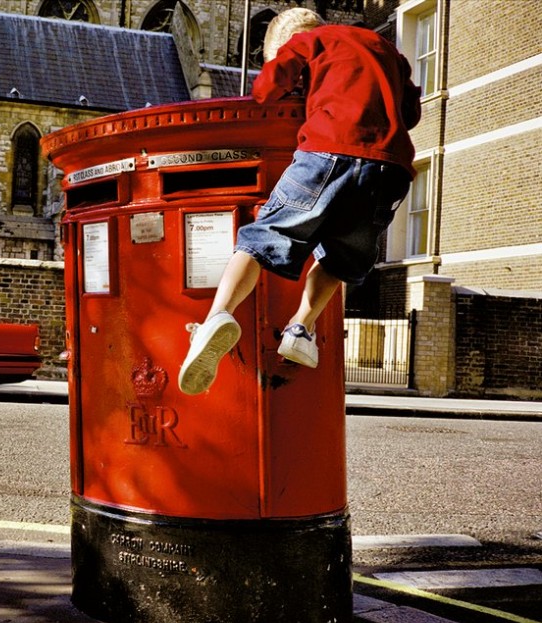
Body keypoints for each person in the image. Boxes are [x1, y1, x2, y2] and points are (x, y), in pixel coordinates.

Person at [178, 8, 422, 396]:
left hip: (328, 151)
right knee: (341, 259)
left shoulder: (309, 40)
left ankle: (215, 317)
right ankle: (300, 328)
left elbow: (270, 85)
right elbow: (411, 112)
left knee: (260, 239)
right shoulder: (385, 48)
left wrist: (267, 94)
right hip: (390, 168)